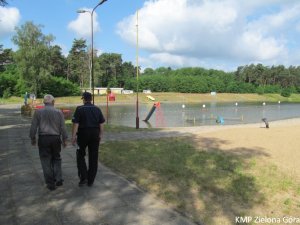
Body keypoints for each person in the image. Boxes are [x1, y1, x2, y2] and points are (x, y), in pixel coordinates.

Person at [29, 94, 68, 191]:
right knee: (56, 158)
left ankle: (50, 183)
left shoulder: (38, 112)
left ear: (44, 102)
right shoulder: (58, 112)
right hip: (55, 138)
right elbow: (63, 127)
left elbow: (33, 126)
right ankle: (58, 179)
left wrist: (33, 138)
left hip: (44, 139)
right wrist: (64, 139)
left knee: (45, 160)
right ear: (53, 102)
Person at [71, 92, 105, 187]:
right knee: (94, 157)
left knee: (80, 154)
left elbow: (76, 124)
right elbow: (101, 124)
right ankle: (90, 180)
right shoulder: (97, 109)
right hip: (95, 134)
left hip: (83, 134)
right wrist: (101, 135)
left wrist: (73, 137)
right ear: (91, 99)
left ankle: (84, 177)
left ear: (84, 99)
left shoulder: (79, 109)